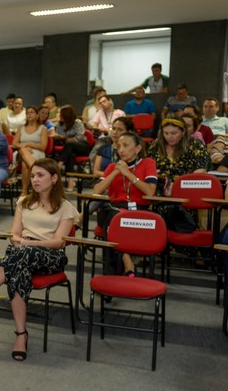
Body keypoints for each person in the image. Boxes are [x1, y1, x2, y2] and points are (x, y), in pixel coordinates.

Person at [0, 158, 78, 361]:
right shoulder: (24, 202)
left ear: (54, 178)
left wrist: (29, 244)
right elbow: (14, 233)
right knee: (18, 274)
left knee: (19, 256)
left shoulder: (66, 207)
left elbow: (58, 242)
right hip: (22, 251)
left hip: (50, 255)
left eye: (41, 175)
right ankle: (21, 335)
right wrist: (19, 241)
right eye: (32, 176)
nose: (35, 180)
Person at [93, 132, 158, 276]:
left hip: (139, 210)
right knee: (114, 217)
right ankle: (126, 260)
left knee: (115, 222)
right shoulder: (112, 167)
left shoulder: (148, 163)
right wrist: (116, 172)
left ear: (137, 148)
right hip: (114, 208)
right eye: (119, 146)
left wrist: (128, 174)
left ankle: (112, 273)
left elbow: (150, 192)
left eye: (126, 146)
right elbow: (97, 191)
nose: (121, 150)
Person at [148, 118, 209, 195]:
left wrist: (178, 186)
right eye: (166, 133)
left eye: (173, 133)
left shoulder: (195, 145)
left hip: (186, 191)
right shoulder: (155, 146)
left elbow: (201, 170)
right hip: (157, 191)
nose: (169, 137)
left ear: (183, 132)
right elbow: (147, 167)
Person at [11, 106, 48, 196]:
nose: (29, 114)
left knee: (25, 164)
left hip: (38, 153)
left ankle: (24, 191)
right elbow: (14, 143)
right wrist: (24, 147)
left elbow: (43, 147)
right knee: (23, 151)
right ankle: (38, 170)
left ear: (37, 115)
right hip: (21, 153)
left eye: (32, 112)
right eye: (27, 113)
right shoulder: (21, 128)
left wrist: (28, 144)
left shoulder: (43, 128)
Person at [51, 105, 88, 191]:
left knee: (69, 144)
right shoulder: (60, 124)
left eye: (61, 114)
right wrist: (65, 138)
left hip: (82, 146)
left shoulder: (77, 122)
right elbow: (59, 134)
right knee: (71, 155)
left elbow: (79, 137)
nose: (59, 116)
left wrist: (66, 138)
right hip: (69, 149)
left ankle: (59, 164)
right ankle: (71, 182)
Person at [202, 98, 228, 164]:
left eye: (211, 106)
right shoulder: (198, 120)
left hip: (219, 139)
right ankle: (217, 158)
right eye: (205, 106)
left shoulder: (224, 120)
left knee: (220, 138)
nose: (208, 109)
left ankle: (216, 158)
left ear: (217, 108)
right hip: (203, 140)